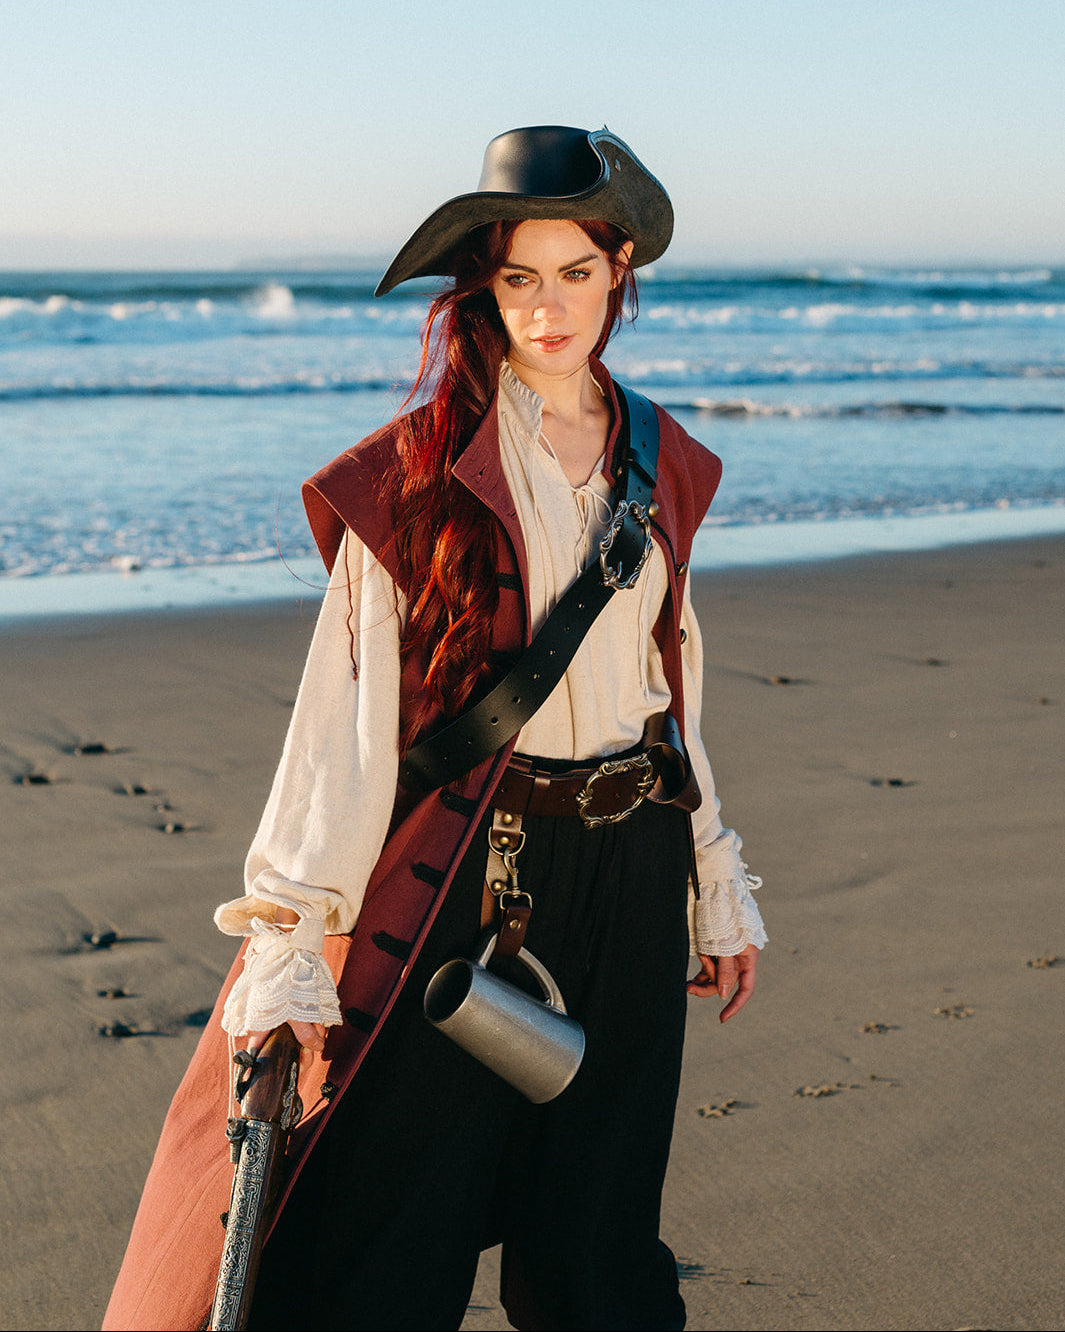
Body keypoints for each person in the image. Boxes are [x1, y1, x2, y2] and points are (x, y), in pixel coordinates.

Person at [104, 125, 766, 1332]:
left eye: (575, 272)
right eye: (520, 277)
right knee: (388, 1243)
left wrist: (714, 875)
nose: (549, 307)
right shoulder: (414, 478)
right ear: (486, 286)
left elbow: (673, 684)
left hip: (632, 872)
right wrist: (292, 943)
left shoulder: (662, 459)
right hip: (484, 870)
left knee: (601, 1237)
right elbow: (340, 731)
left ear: (620, 269)